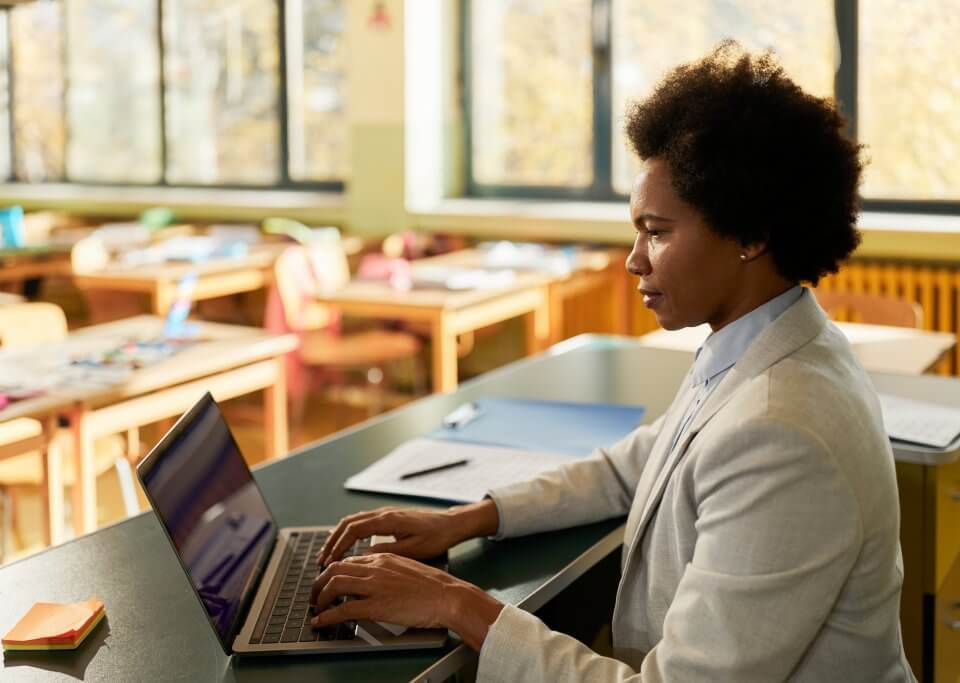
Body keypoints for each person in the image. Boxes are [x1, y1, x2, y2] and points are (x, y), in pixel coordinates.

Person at [310, 42, 916, 682]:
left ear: (751, 235)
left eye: (657, 231)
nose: (634, 260)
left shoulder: (781, 429)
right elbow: (640, 462)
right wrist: (463, 520)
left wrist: (454, 602)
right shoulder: (767, 340)